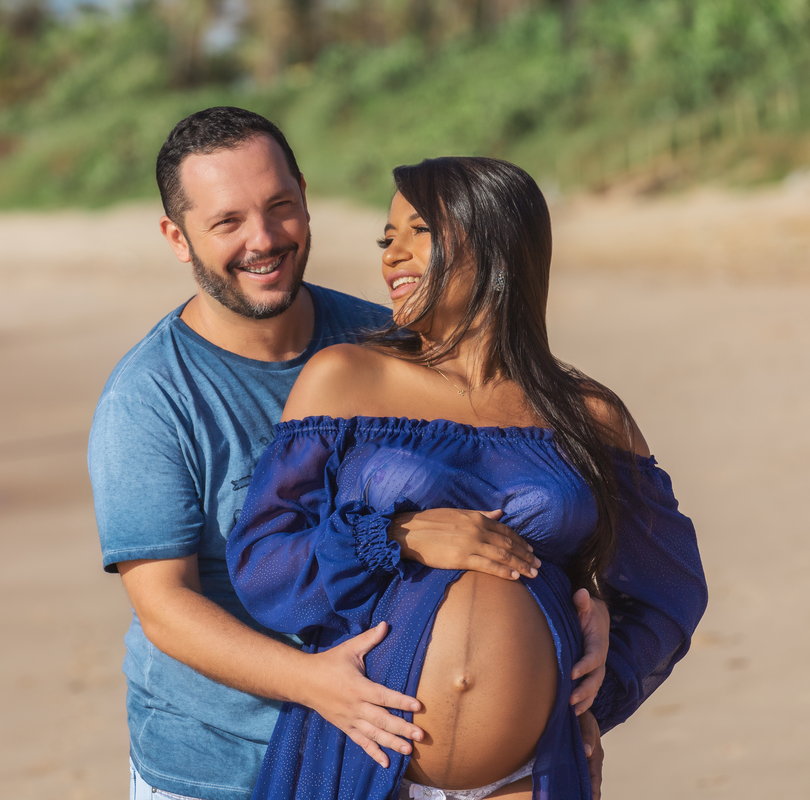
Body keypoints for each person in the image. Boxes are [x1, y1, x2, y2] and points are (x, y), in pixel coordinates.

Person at [88, 109, 610, 800]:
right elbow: (164, 606)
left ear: (305, 195)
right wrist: (317, 685)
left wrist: (581, 614)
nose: (263, 239)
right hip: (218, 762)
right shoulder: (151, 398)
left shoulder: (384, 338)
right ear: (177, 238)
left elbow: (505, 484)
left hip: (380, 754)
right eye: (227, 223)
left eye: (279, 207)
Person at [226, 157, 708, 800]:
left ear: (496, 246)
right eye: (385, 238)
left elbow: (668, 588)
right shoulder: (346, 378)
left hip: (530, 774)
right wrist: (394, 536)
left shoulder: (589, 415)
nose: (390, 255)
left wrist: (602, 677)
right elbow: (263, 562)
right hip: (361, 758)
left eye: (416, 231)